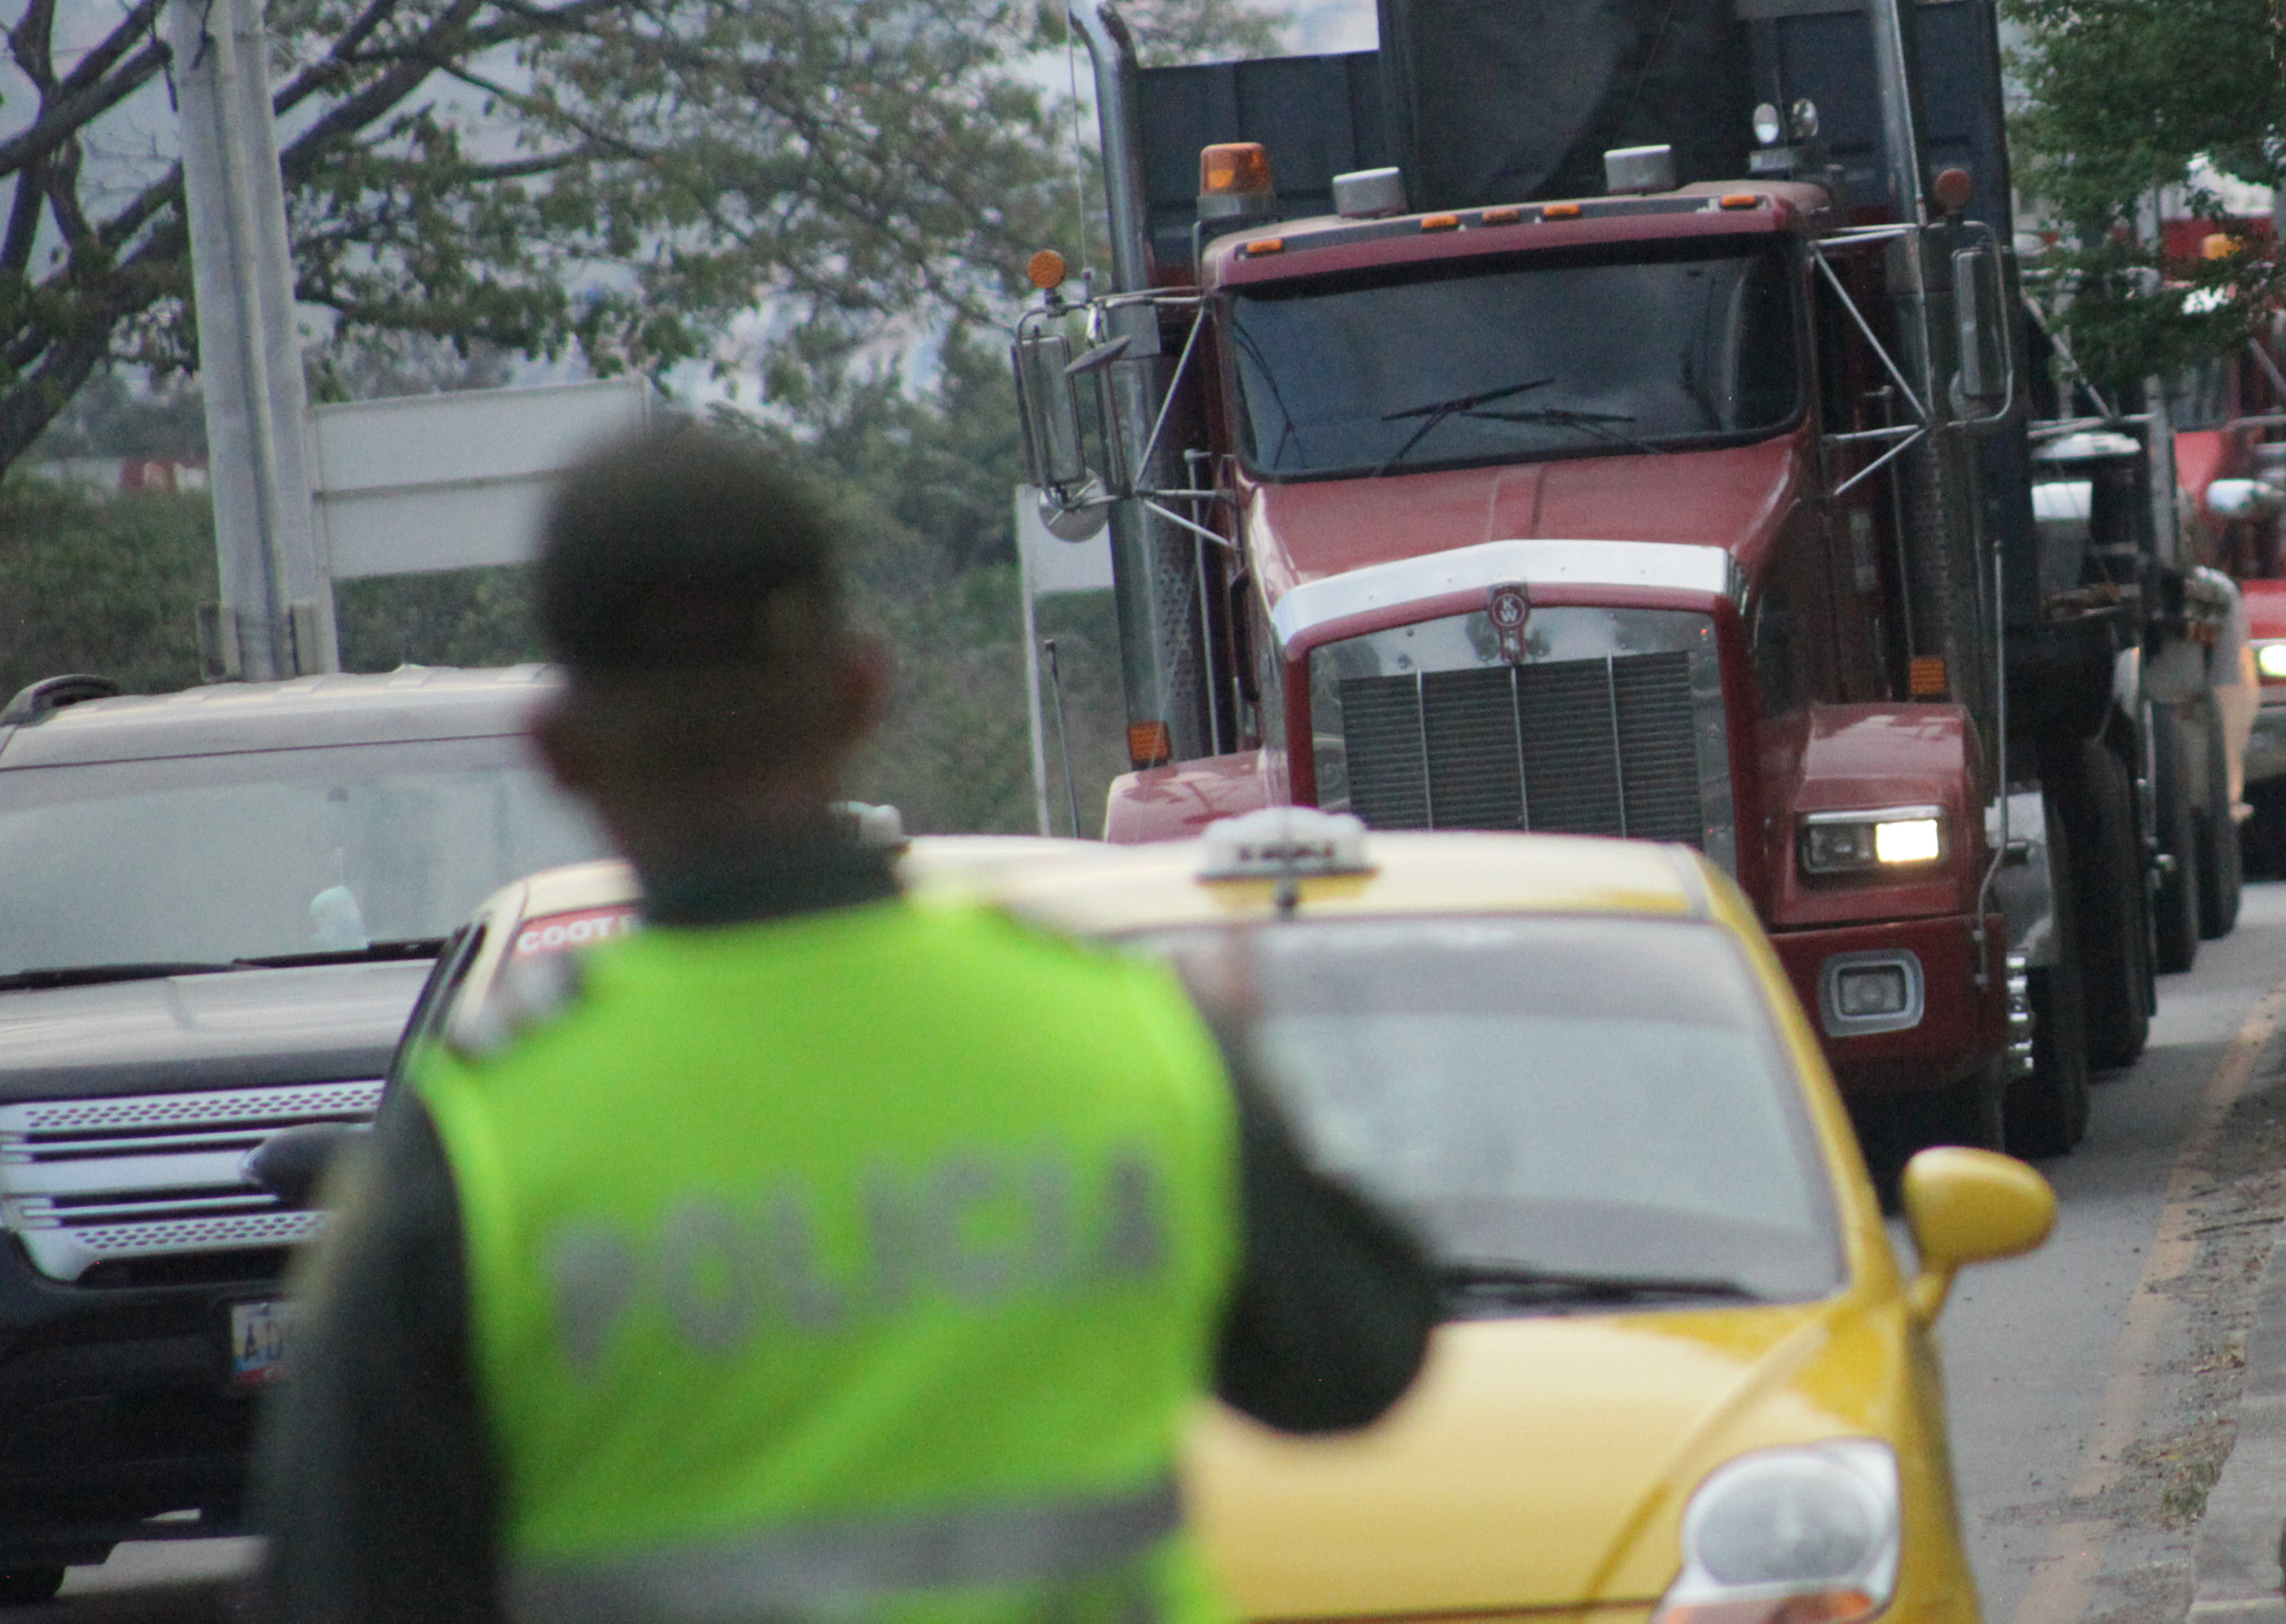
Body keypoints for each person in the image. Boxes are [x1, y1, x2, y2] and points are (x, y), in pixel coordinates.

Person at [255, 424, 1438, 1624]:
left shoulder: (480, 1156)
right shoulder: (1122, 1038)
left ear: (559, 753)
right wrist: (1243, 1061)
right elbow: (1357, 1364)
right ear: (859, 690)